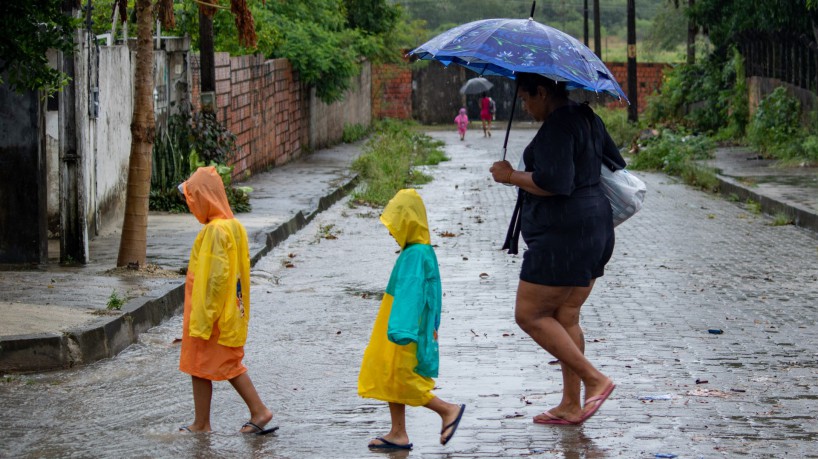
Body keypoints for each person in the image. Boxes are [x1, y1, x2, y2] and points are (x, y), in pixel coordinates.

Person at [488, 73, 621, 426]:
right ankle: (570, 404)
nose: (525, 107)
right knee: (566, 316)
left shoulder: (557, 127)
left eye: (526, 99)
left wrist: (511, 175)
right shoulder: (587, 117)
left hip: (563, 235)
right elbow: (614, 160)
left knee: (529, 314)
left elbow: (554, 183)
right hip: (596, 227)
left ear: (542, 92)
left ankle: (596, 380)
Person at [358, 189, 466, 450]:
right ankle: (398, 433)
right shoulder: (419, 250)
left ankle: (447, 410)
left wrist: (402, 330)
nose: (390, 231)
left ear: (407, 222)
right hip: (399, 324)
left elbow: (411, 294)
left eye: (394, 224)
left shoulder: (415, 254)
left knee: (404, 377)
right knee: (392, 376)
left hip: (404, 328)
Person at [178, 166, 277, 436]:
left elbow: (213, 280)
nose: (191, 206)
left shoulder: (214, 231)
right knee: (220, 365)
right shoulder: (233, 227)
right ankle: (244, 413)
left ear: (203, 200)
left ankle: (207, 422)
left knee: (203, 366)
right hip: (231, 310)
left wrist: (204, 319)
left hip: (210, 315)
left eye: (192, 200)